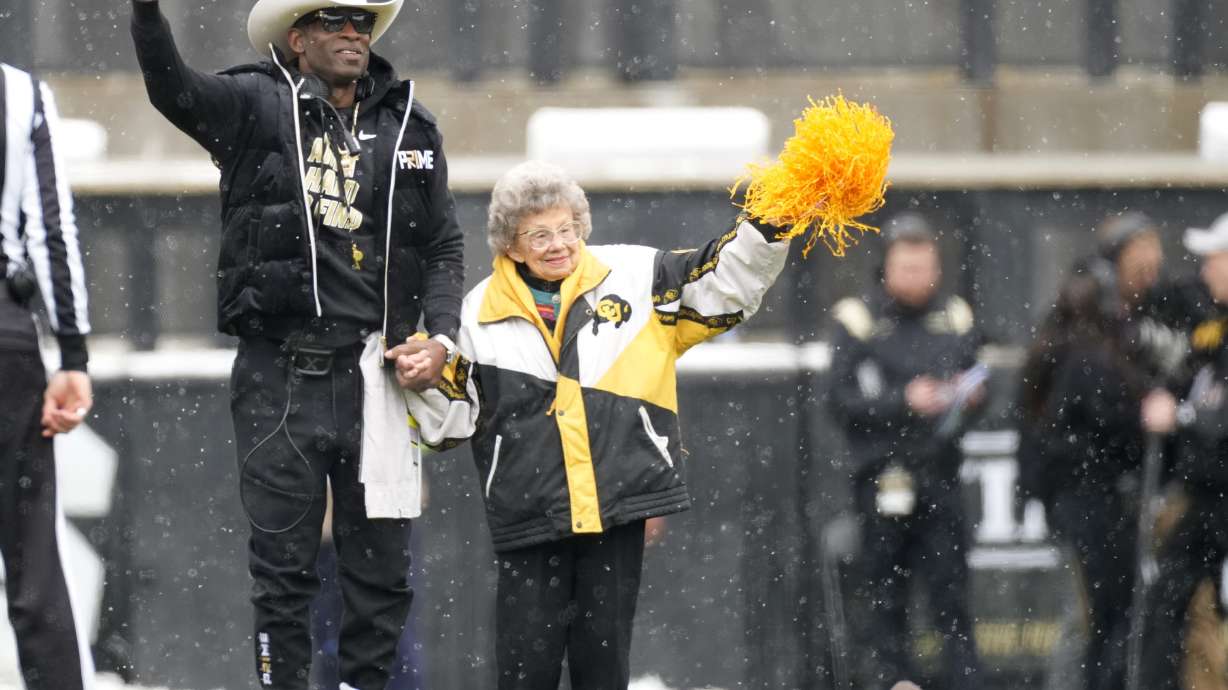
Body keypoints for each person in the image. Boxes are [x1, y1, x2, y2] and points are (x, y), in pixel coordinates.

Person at [130, 0, 465, 687]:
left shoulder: (411, 123)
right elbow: (172, 86)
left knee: (381, 580)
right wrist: (145, 12)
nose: (352, 33)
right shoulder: (253, 103)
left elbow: (443, 244)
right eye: (335, 20)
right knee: (282, 578)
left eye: (362, 23)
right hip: (281, 374)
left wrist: (443, 337)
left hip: (380, 374)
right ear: (297, 37)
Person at [392, 160, 792, 689]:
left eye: (567, 229)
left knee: (603, 669)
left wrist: (770, 226)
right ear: (509, 245)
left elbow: (723, 284)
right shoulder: (474, 313)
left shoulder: (635, 274)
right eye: (539, 234)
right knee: (521, 671)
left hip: (617, 511)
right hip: (528, 517)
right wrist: (423, 378)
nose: (558, 244)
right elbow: (449, 425)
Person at [826, 212, 984, 690]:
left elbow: (978, 380)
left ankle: (964, 682)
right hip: (883, 478)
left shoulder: (955, 314)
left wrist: (969, 396)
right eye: (907, 268)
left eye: (925, 267)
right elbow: (840, 399)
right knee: (884, 599)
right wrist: (902, 402)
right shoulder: (858, 319)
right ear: (887, 268)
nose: (917, 279)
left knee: (952, 597)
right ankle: (890, 681)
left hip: (940, 475)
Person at [0, 62, 96, 690]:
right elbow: (52, 230)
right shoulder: (19, 92)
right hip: (5, 339)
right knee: (33, 563)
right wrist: (72, 357)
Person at [1016, 265, 1148, 690]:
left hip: (1075, 501)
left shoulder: (1052, 349)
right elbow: (1116, 423)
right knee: (1092, 619)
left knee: (1089, 619)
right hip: (1090, 502)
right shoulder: (1088, 358)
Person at [1137, 212, 1228, 690]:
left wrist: (1186, 417)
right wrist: (1166, 396)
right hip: (1208, 496)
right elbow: (1188, 374)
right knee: (1167, 599)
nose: (1206, 270)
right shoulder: (1213, 328)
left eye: (1215, 258)